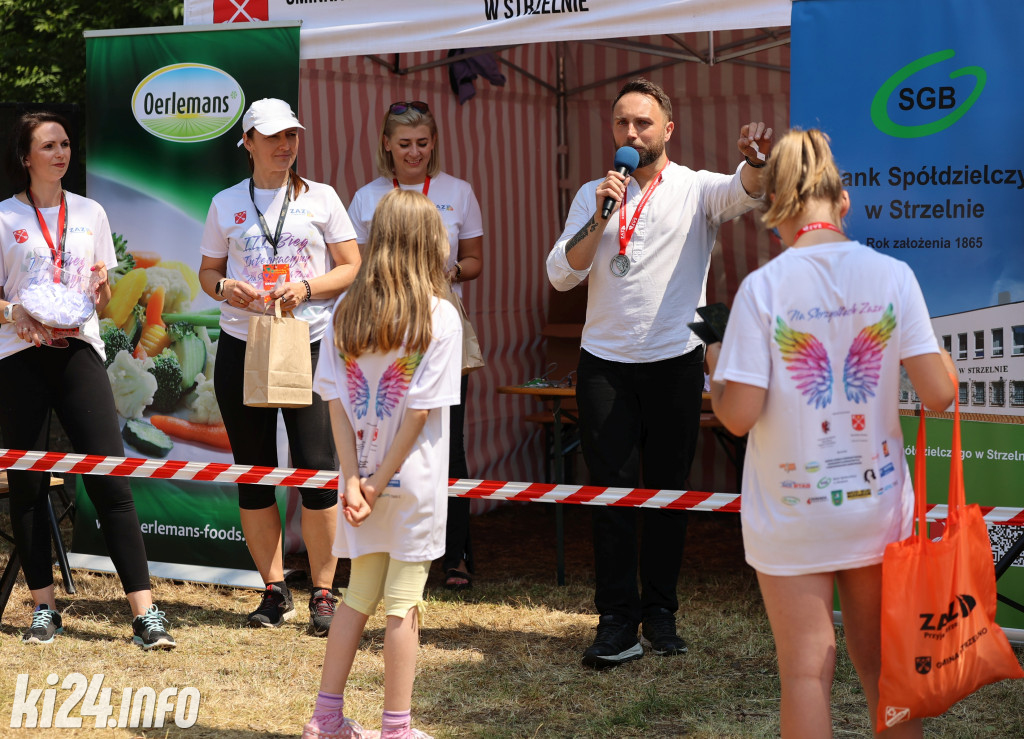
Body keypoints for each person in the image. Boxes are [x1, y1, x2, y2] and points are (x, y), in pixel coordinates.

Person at [706, 128, 956, 738]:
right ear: (843, 204)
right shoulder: (894, 275)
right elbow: (941, 394)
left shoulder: (763, 289)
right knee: (885, 670)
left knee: (805, 675)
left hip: (792, 508)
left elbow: (737, 416)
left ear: (775, 214)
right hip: (876, 508)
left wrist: (715, 367)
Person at [546, 77, 773, 668]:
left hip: (674, 361)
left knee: (670, 492)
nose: (631, 133)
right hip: (604, 366)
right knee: (612, 496)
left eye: (642, 123)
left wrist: (754, 164)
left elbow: (743, 192)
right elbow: (559, 274)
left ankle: (661, 612)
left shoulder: (696, 189)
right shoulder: (595, 195)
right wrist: (600, 216)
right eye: (622, 122)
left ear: (667, 130)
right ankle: (616, 620)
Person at [0, 111, 175, 649]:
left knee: (109, 478)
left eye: (66, 144)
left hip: (79, 350)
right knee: (28, 485)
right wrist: (14, 315)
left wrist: (102, 290)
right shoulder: (5, 216)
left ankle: (145, 614)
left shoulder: (92, 212)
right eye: (48, 146)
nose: (60, 153)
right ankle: (44, 609)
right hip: (20, 354)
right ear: (25, 157)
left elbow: (99, 292)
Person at [303, 189, 462, 739]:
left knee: (355, 597)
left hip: (361, 482)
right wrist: (371, 482)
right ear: (429, 244)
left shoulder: (344, 313)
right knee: (402, 606)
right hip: (410, 483)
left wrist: (354, 478)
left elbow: (336, 406)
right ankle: (395, 728)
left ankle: (325, 719)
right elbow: (418, 414)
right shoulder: (440, 316)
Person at [199, 98, 361, 634]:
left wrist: (307, 287)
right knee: (254, 471)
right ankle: (273, 590)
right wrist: (225, 288)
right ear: (247, 143)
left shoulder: (323, 198)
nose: (285, 145)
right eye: (272, 137)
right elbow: (207, 272)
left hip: (309, 344)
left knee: (317, 472)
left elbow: (352, 266)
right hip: (241, 344)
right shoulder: (225, 202)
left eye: (291, 134)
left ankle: (322, 592)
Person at [348, 100, 483, 591]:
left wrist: (448, 272)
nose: (414, 152)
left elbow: (474, 261)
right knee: (382, 435)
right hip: (383, 331)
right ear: (386, 144)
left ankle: (456, 555)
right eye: (404, 144)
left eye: (423, 143)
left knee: (450, 443)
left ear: (434, 143)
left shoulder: (457, 191)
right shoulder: (365, 198)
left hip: (441, 326)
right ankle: (384, 547)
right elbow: (358, 268)